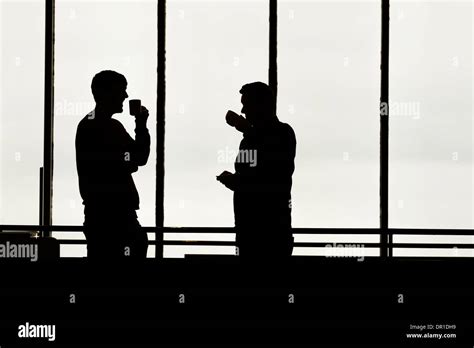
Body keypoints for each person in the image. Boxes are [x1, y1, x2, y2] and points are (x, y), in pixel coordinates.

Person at [75, 70, 150, 261]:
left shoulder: (91, 126)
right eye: (121, 91)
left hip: (101, 215)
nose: (125, 96)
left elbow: (134, 160)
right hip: (114, 217)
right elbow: (138, 158)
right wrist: (141, 127)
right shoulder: (107, 127)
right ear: (106, 93)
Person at [217, 82, 296, 262]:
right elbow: (259, 176)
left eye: (246, 104)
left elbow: (268, 176)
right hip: (254, 231)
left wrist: (249, 132)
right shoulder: (258, 137)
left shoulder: (282, 133)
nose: (243, 111)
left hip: (268, 232)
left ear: (261, 105)